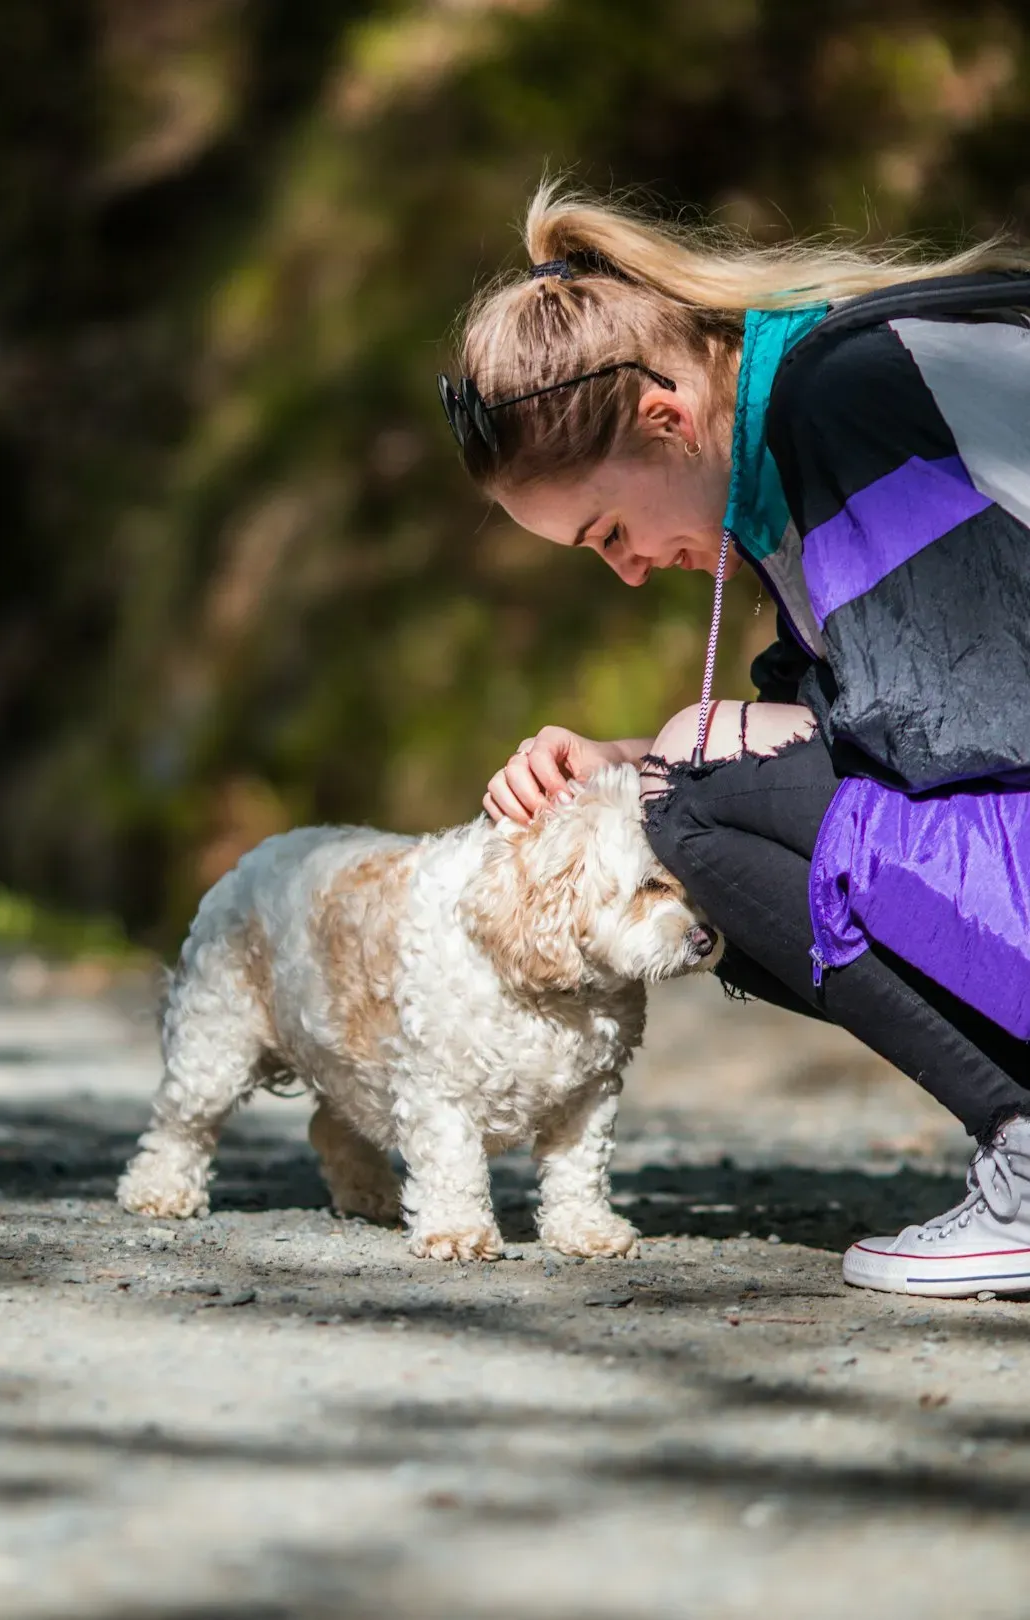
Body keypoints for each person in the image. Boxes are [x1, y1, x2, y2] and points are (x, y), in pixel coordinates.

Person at [438, 180, 1030, 1299]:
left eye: (609, 529)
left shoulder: (845, 400)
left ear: (664, 417)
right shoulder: (799, 410)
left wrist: (689, 749)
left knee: (698, 803)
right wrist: (624, 757)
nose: (622, 568)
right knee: (685, 785)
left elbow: (987, 711)